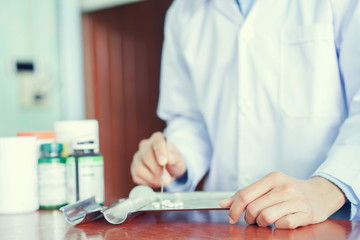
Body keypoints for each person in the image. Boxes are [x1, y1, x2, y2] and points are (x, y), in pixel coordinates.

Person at [131, 0, 360, 229]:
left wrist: (329, 188)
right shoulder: (183, 11)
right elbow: (191, 119)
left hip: (326, 223)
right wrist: (176, 156)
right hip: (226, 225)